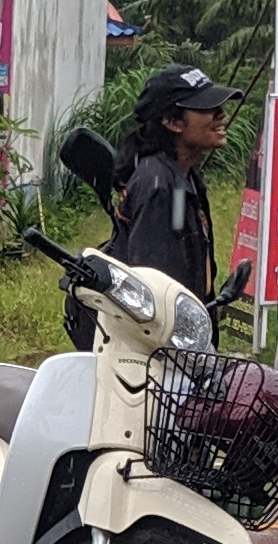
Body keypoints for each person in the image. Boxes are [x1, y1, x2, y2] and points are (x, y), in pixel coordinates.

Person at [90, 65, 231, 339]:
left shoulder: (183, 176)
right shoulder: (157, 185)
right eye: (206, 107)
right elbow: (153, 290)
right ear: (173, 122)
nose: (220, 114)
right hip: (162, 351)